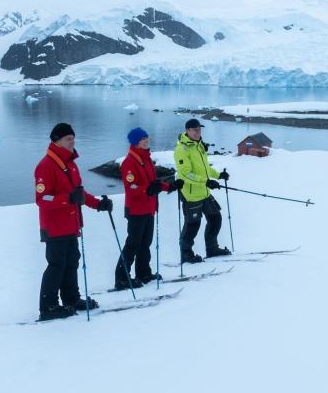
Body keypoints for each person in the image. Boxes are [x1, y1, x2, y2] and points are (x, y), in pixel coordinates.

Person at [35, 122, 112, 321]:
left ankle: (71, 299)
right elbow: (42, 199)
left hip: (71, 224)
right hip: (54, 226)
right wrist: (67, 199)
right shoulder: (46, 166)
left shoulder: (70, 164)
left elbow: (79, 193)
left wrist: (98, 204)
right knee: (56, 265)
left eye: (73, 138)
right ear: (57, 141)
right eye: (68, 139)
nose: (72, 142)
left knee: (71, 263)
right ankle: (48, 306)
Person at [114, 127, 183, 290]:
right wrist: (147, 190)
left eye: (146, 138)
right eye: (142, 139)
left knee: (145, 243)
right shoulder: (129, 162)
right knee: (133, 244)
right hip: (136, 209)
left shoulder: (146, 159)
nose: (146, 141)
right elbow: (131, 187)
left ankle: (143, 273)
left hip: (149, 208)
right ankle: (122, 278)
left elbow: (154, 184)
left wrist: (170, 186)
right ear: (135, 142)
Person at [173, 118, 231, 263]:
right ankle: (186, 254)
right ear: (187, 131)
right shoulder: (182, 149)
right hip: (191, 194)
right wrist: (206, 181)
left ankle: (212, 249)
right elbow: (186, 173)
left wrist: (218, 175)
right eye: (195, 129)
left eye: (200, 129)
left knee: (215, 218)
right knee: (193, 225)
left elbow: (205, 168)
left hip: (204, 192)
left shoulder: (199, 145)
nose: (198, 132)